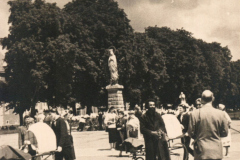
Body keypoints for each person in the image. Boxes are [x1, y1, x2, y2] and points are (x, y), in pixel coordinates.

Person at [188, 90, 229, 160]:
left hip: (200, 151)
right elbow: (225, 133)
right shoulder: (221, 113)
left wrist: (198, 136)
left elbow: (190, 133)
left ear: (201, 100)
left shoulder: (194, 113)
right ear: (213, 99)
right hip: (216, 150)